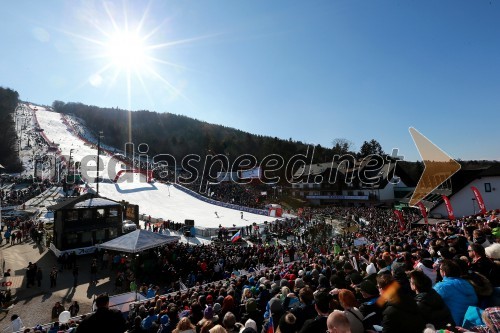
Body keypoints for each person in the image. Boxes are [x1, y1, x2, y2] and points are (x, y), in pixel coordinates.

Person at [434, 259, 478, 326]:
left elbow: (428, 300)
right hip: (471, 321)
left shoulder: (442, 286)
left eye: (440, 269)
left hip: (453, 324)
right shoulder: (467, 283)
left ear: (444, 272)